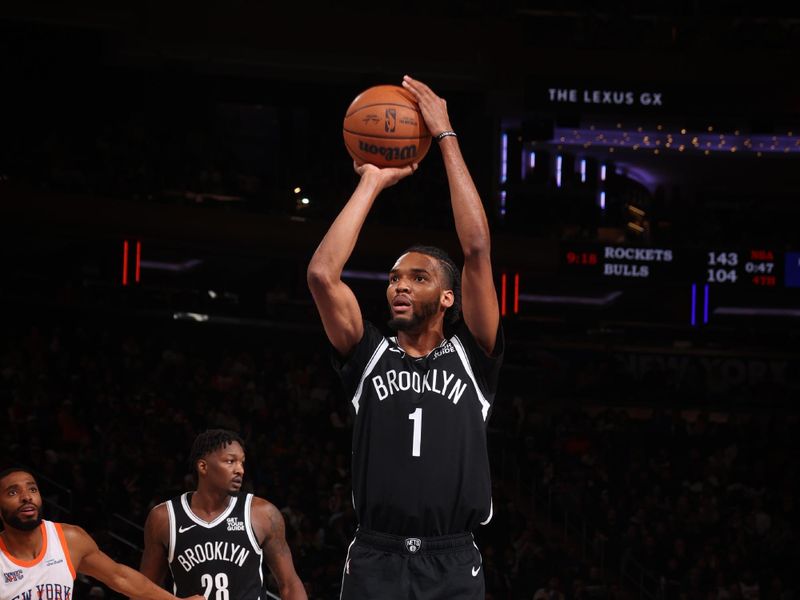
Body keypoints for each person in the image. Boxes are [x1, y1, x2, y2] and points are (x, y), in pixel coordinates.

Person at [307, 75, 503, 600]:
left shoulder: (472, 355)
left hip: (452, 556)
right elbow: (323, 275)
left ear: (447, 299)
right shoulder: (367, 355)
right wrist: (371, 181)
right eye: (394, 277)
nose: (399, 285)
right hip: (376, 555)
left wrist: (445, 136)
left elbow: (477, 249)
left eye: (418, 278)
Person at [138, 430, 306, 600]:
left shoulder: (263, 514)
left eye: (242, 463)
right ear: (203, 467)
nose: (240, 470)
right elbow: (145, 589)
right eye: (230, 461)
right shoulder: (164, 518)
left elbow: (290, 585)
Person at [0, 468, 204, 600]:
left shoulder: (69, 539)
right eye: (12, 492)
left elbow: (120, 577)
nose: (26, 497)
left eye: (32, 489)